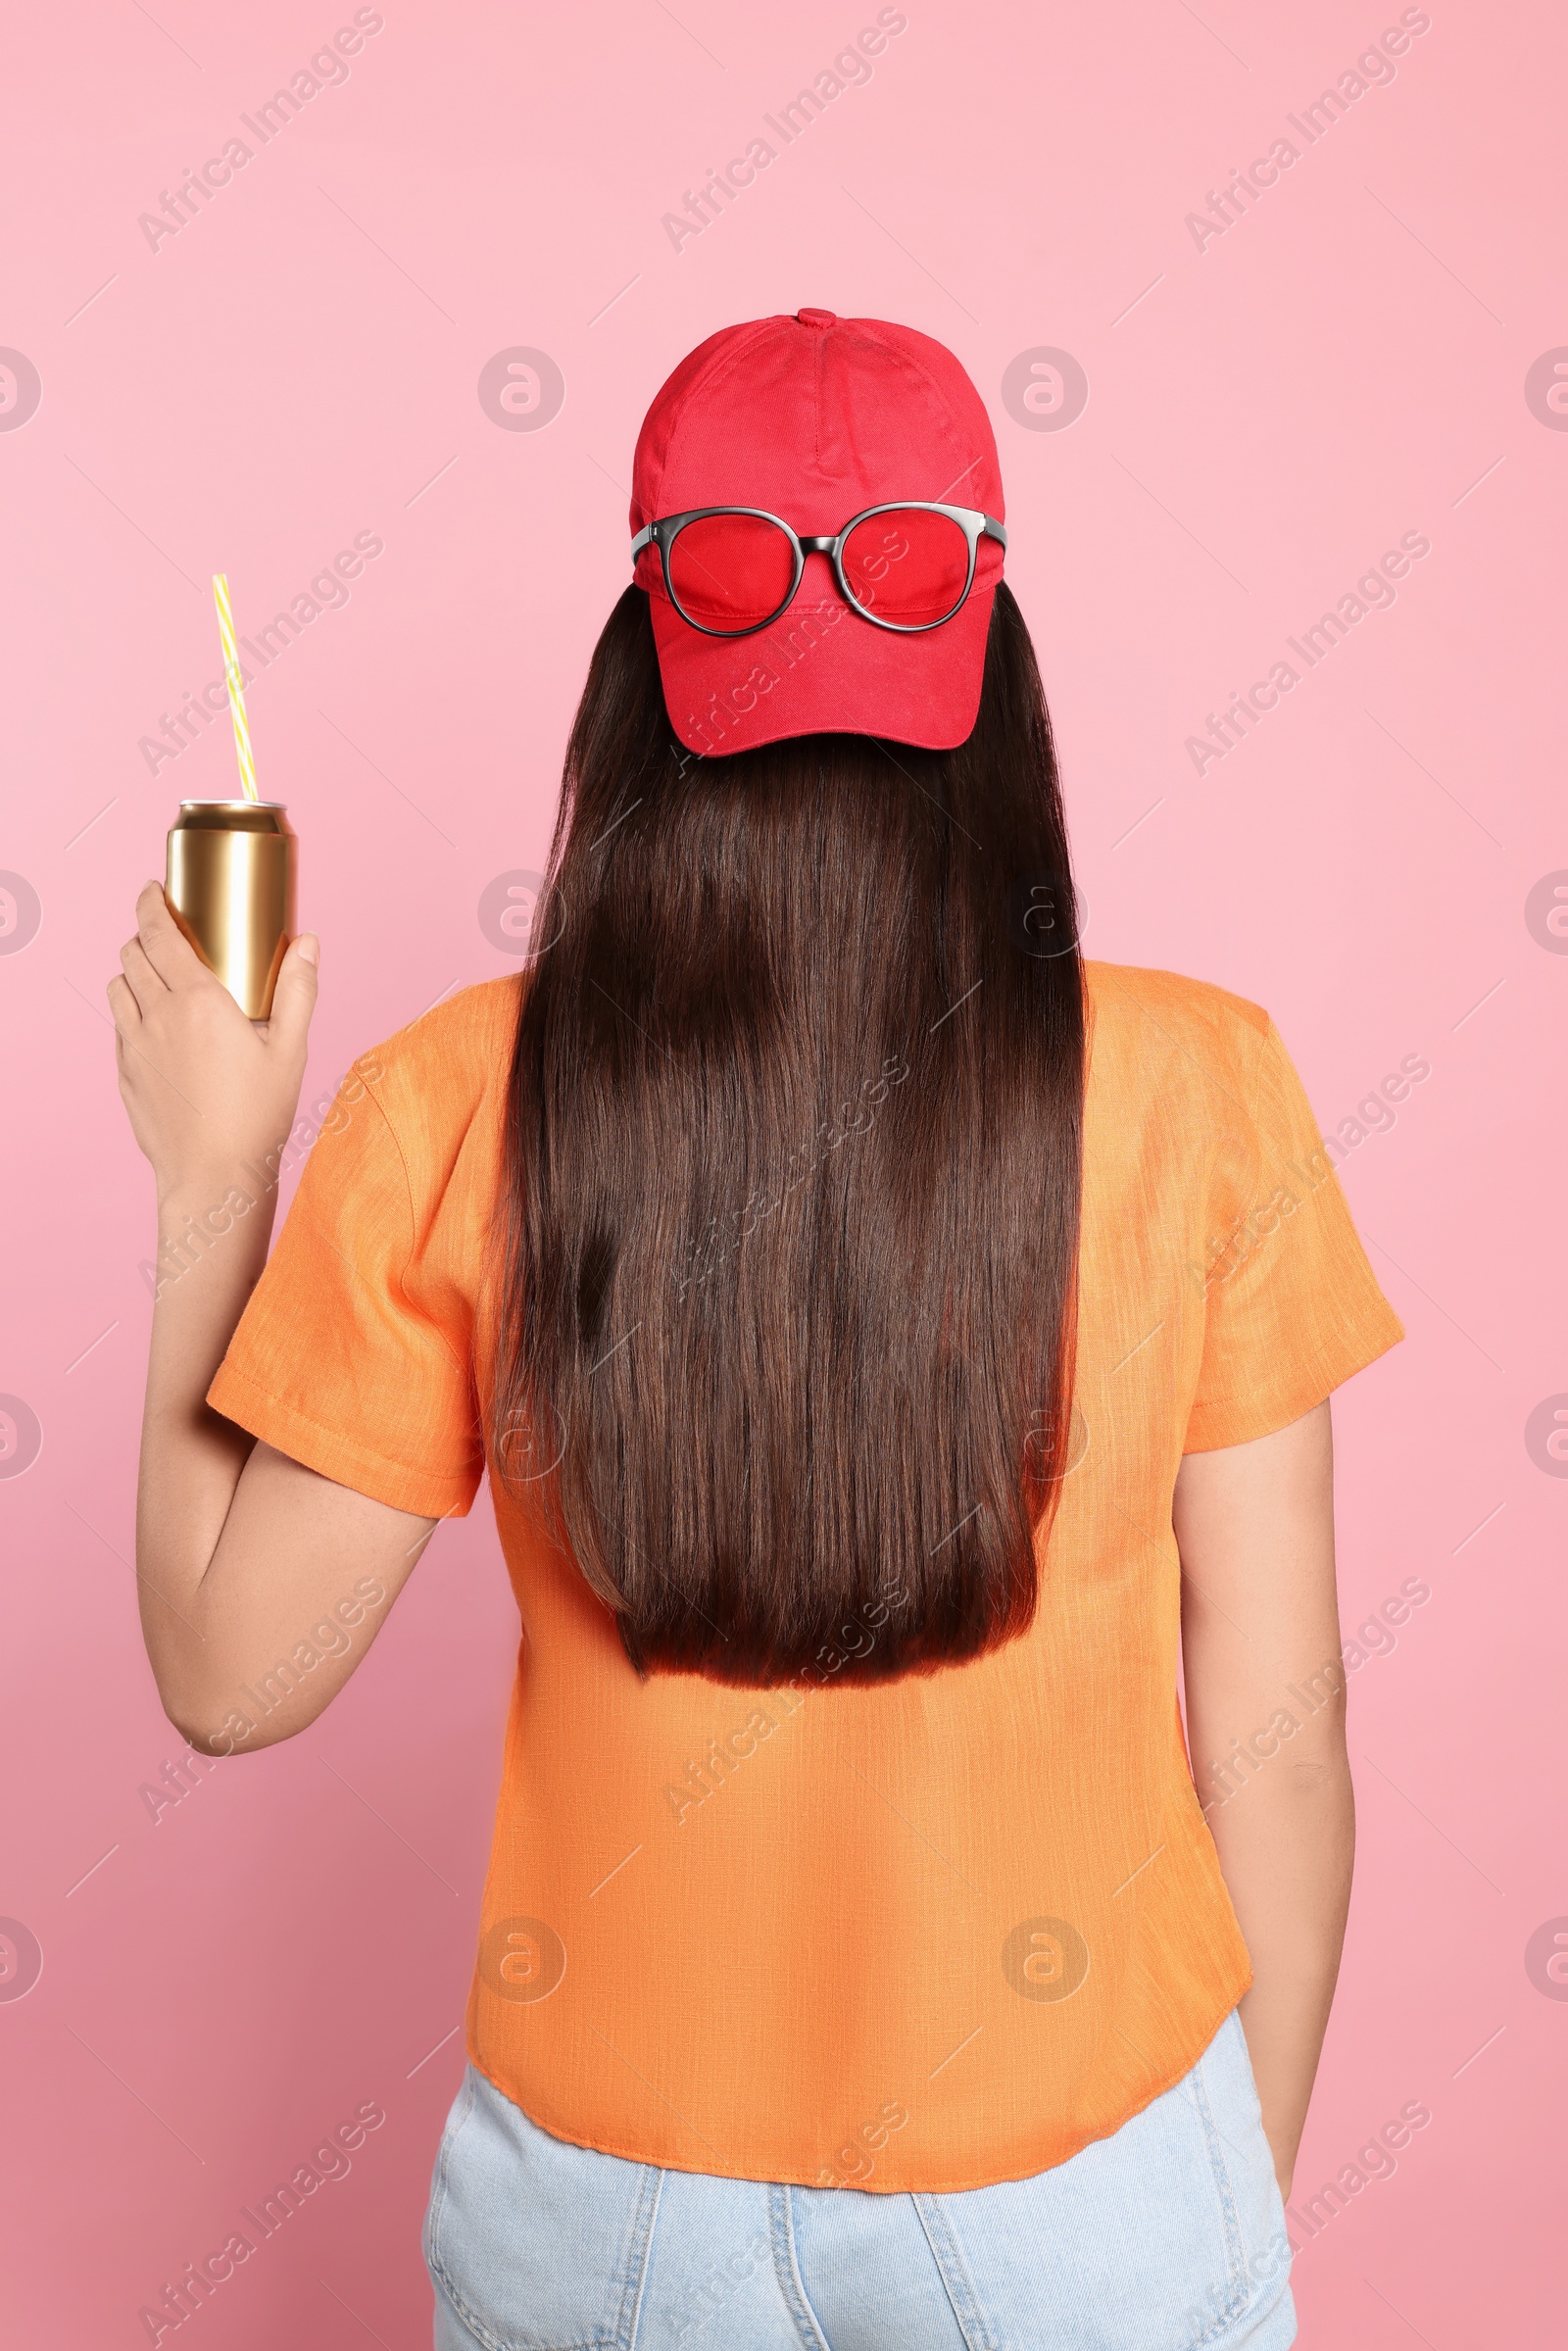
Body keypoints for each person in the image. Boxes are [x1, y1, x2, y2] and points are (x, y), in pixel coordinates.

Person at [111, 310, 1402, 2350]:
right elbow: (1278, 1735)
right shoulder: (1197, 1087)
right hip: (1082, 2173)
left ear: (636, 679)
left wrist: (210, 1179)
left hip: (603, 2215)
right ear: (991, 667)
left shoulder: (456, 1101)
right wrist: (1204, 2191)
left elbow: (223, 1672)